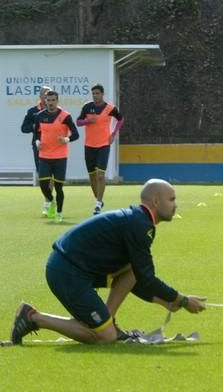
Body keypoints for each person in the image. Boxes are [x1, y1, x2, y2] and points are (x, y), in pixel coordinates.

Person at [9, 179, 207, 345]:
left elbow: (137, 278)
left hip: (76, 268)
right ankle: (33, 317)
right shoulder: (139, 226)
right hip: (68, 272)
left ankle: (106, 320)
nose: (175, 204)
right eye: (171, 199)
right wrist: (181, 299)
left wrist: (164, 301)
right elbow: (147, 278)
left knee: (131, 270)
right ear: (155, 201)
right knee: (105, 337)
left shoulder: (140, 221)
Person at [76, 84, 125, 215]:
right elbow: (78, 122)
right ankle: (97, 199)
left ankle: (98, 203)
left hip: (103, 144)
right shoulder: (87, 107)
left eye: (97, 93)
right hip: (89, 145)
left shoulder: (110, 108)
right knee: (92, 176)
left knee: (100, 175)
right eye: (93, 94)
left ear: (102, 94)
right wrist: (87, 121)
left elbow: (120, 119)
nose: (95, 96)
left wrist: (113, 133)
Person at [34, 90, 80, 222]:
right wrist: (37, 142)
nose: (51, 103)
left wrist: (66, 139)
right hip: (44, 156)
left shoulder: (65, 116)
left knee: (58, 187)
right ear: (45, 101)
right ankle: (52, 201)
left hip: (60, 156)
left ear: (57, 101)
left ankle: (59, 213)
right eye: (49, 100)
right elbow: (37, 132)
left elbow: (76, 134)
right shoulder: (39, 116)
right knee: (43, 185)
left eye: (53, 100)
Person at [21, 86, 51, 174]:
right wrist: (35, 126)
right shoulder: (32, 111)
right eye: (45, 95)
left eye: (49, 95)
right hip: (39, 145)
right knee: (42, 172)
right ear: (40, 96)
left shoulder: (58, 111)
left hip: (54, 145)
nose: (47, 97)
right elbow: (24, 128)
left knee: (53, 172)